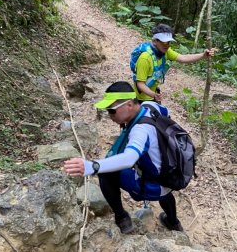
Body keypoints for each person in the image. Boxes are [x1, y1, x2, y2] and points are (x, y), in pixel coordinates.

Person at [63, 81, 183, 235]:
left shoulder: (140, 130)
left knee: (106, 173)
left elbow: (129, 158)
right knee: (164, 188)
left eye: (112, 110)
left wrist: (93, 166)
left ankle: (122, 218)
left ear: (129, 105)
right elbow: (166, 113)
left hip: (154, 187)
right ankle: (173, 222)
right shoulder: (150, 106)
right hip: (172, 175)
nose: (109, 115)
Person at [132, 24, 215, 102]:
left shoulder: (166, 51)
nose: (167, 45)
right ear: (154, 41)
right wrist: (154, 95)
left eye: (168, 42)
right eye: (164, 42)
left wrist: (203, 55)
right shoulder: (145, 58)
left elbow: (183, 58)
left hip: (152, 95)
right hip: (141, 98)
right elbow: (140, 84)